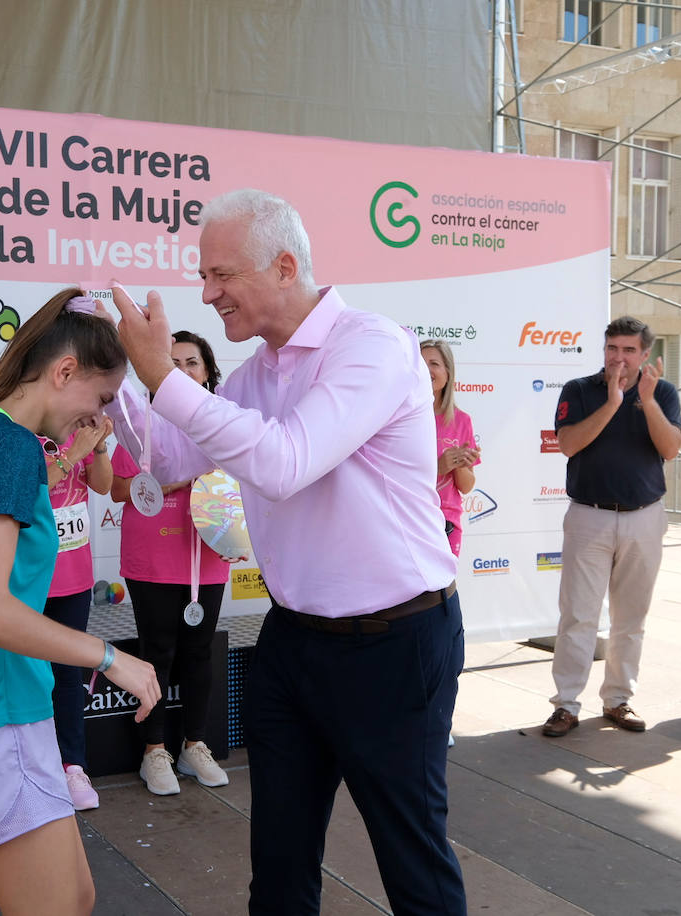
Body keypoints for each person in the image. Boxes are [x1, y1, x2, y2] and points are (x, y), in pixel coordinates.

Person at [108, 189, 466, 915]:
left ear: (282, 265)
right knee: (278, 861)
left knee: (412, 860)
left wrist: (165, 378)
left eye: (221, 276)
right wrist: (115, 372)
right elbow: (165, 459)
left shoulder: (371, 345)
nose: (206, 295)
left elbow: (283, 462)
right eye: (203, 278)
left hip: (394, 645)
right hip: (293, 642)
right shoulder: (251, 376)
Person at [0, 287, 159, 916]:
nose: (95, 419)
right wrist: (108, 657)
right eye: (98, 399)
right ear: (65, 370)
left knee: (78, 896)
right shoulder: (9, 444)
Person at [542, 316, 681, 739]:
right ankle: (566, 705)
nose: (618, 357)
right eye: (611, 349)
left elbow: (671, 449)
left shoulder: (664, 392)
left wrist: (648, 402)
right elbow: (568, 444)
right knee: (578, 617)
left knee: (631, 618)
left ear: (644, 354)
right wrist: (613, 403)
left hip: (644, 516)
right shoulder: (580, 390)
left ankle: (618, 700)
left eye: (627, 350)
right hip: (589, 516)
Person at [110, 330, 232, 796]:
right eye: (172, 362)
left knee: (199, 651)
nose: (182, 370)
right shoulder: (137, 421)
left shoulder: (223, 425)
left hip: (209, 550)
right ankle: (154, 751)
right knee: (157, 651)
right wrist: (171, 479)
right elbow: (121, 490)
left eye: (192, 363)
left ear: (207, 372)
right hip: (153, 555)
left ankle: (193, 745)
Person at [40, 415, 114, 810]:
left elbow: (102, 485)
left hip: (74, 579)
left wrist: (98, 446)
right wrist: (75, 452)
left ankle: (73, 766)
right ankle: (33, 766)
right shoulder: (17, 431)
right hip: (28, 580)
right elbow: (33, 488)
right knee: (26, 672)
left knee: (68, 676)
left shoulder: (79, 431)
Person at [421, 339, 480, 557]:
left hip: (447, 523)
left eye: (434, 363)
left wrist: (459, 465)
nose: (426, 369)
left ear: (448, 372)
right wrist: (438, 467)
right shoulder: (402, 418)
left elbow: (466, 486)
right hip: (411, 518)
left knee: (444, 590)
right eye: (420, 362)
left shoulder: (462, 421)